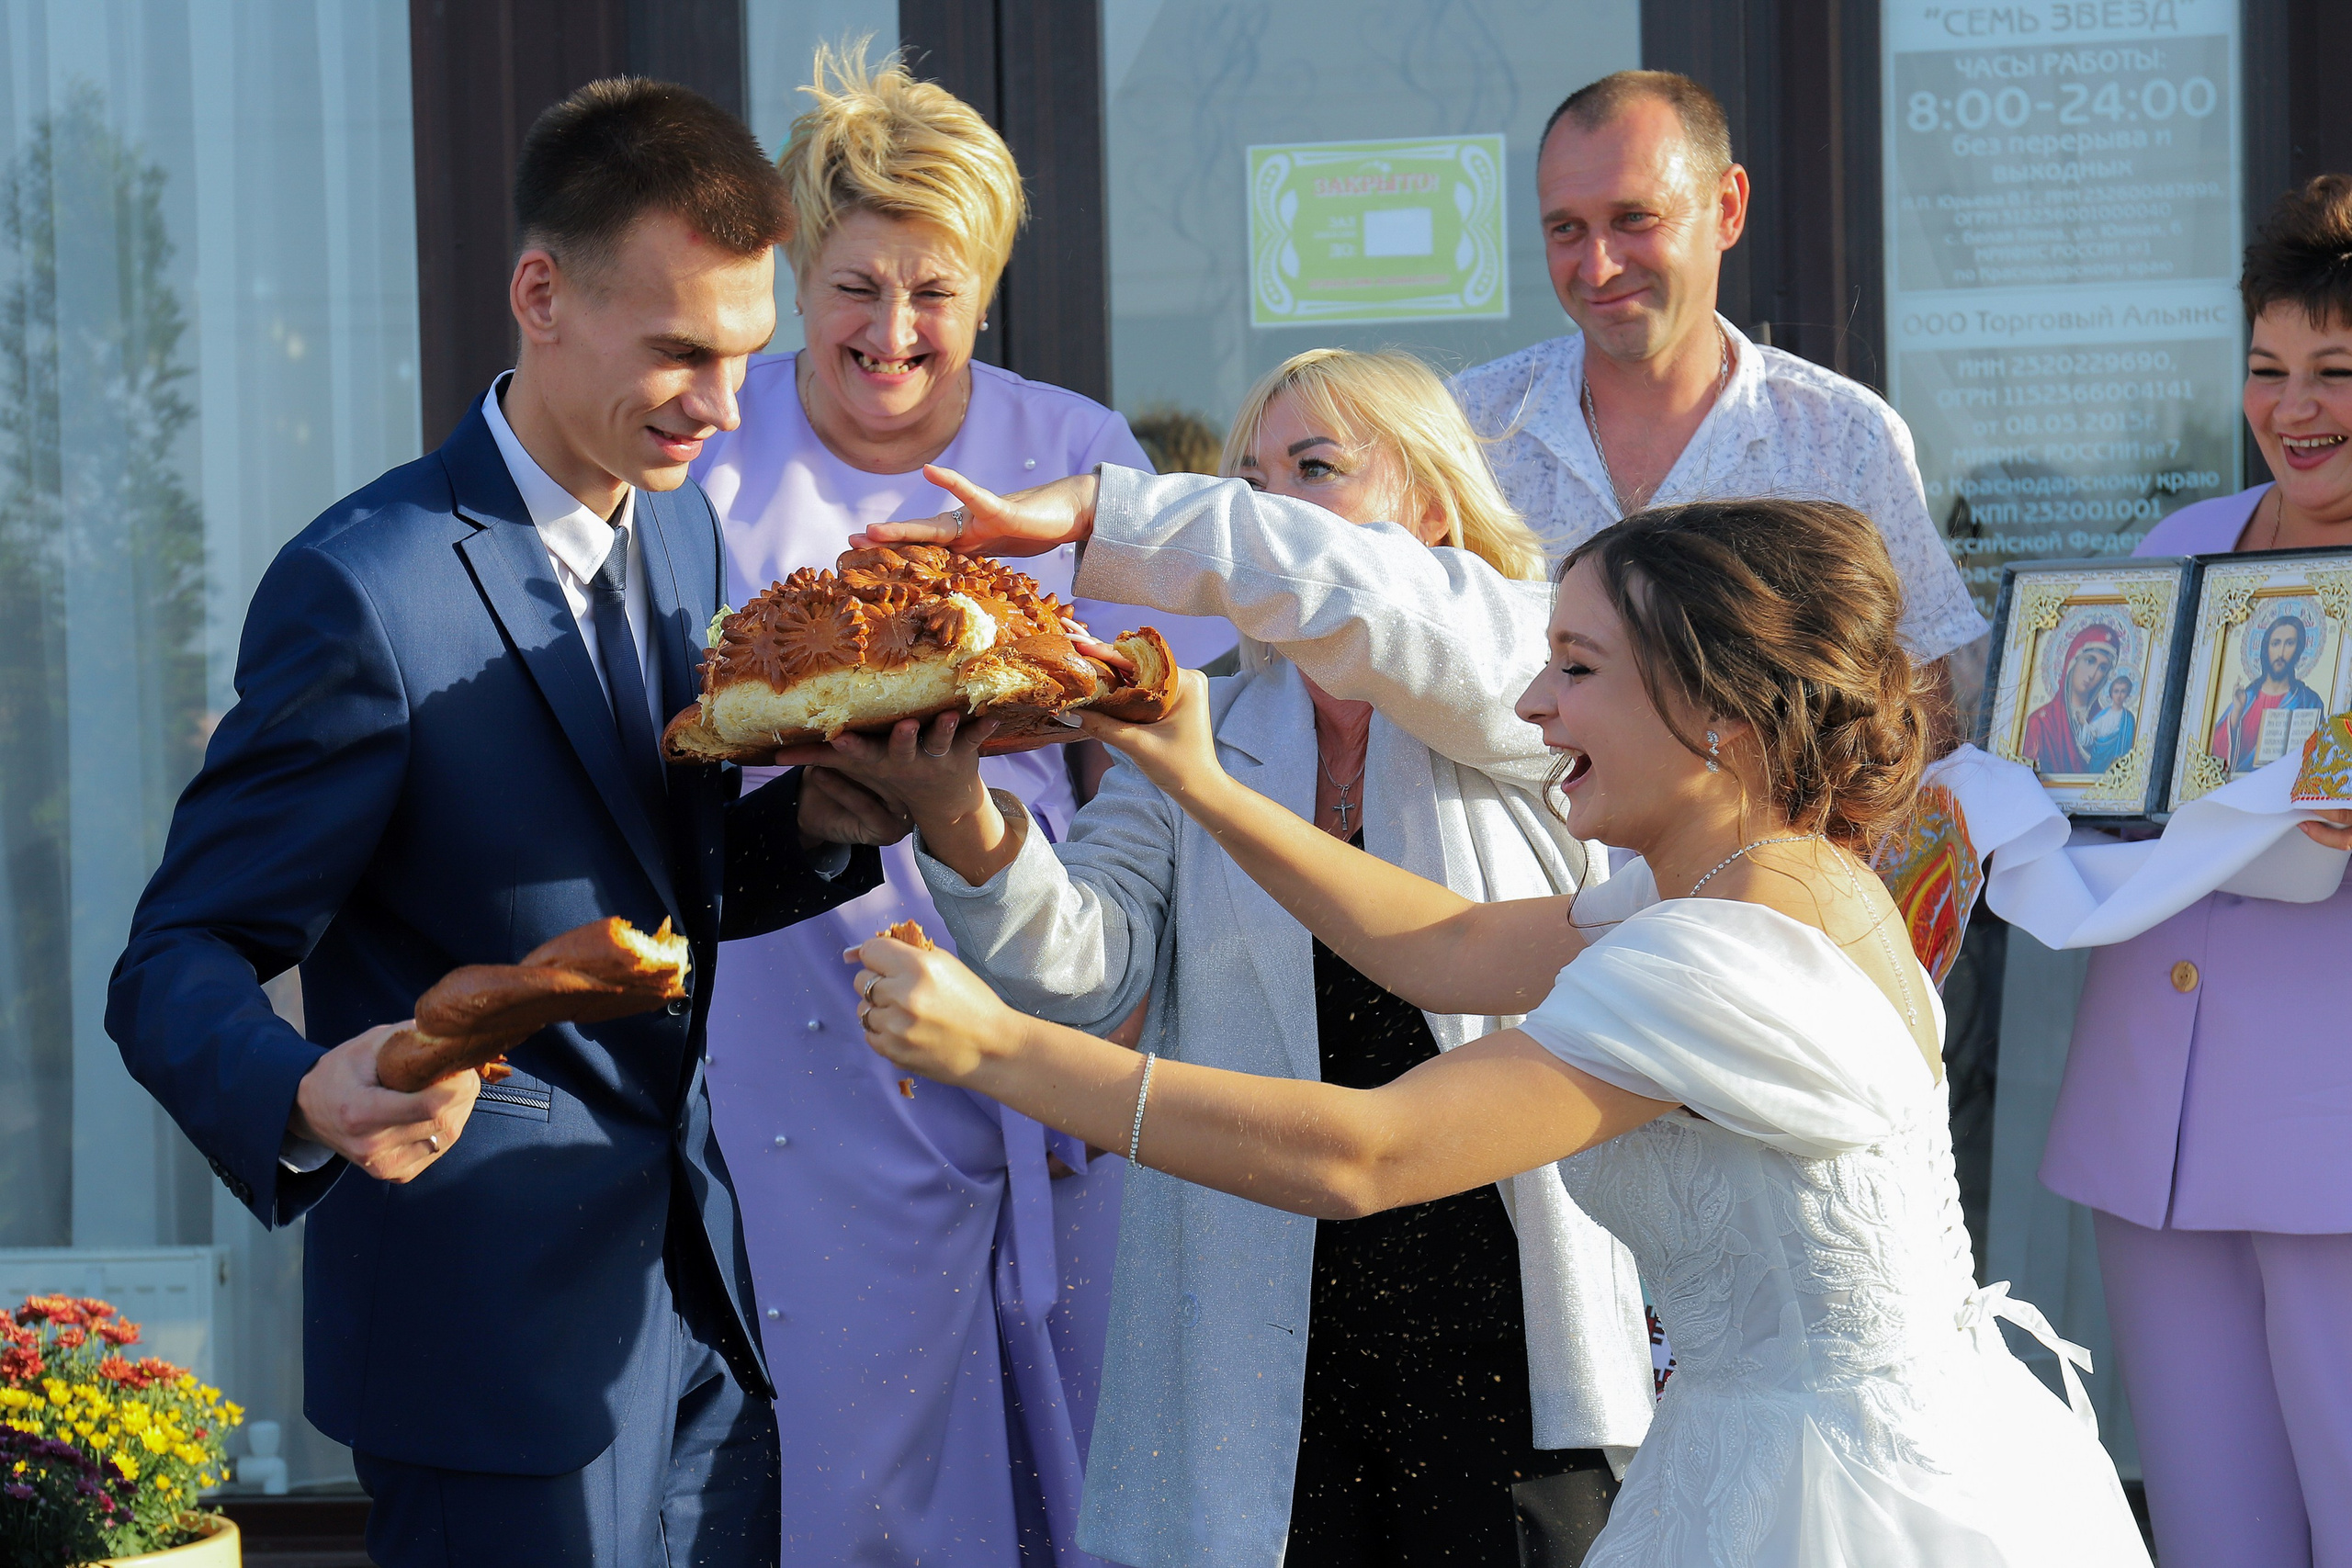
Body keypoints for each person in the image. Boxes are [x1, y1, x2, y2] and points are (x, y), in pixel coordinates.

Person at [849, 491, 2154, 1568]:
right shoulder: (1757, 874)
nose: (1532, 707)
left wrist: (1000, 1051)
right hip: (1791, 1441)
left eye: (1577, 669)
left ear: (1716, 707)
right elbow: (1452, 943)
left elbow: (1358, 1155)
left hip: (1836, 1503)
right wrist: (1201, 783)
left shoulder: (1726, 952)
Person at [105, 81, 902, 1566]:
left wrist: (827, 825)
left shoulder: (682, 526)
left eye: (742, 357)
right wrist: (300, 1092)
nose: (723, 409)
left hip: (707, 1322)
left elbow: (651, 885)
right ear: (541, 292)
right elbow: (176, 956)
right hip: (480, 1346)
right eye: (678, 352)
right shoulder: (360, 588)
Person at [827, 348, 1654, 1567]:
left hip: (1509, 1323)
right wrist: (959, 809)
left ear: (1429, 504)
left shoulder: (1529, 668)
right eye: (1249, 478)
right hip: (1269, 1325)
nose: (1269, 508)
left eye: (1314, 469)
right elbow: (1085, 971)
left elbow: (1380, 602)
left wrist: (1110, 511)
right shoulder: (1205, 707)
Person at [686, 44, 1229, 1566]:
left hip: (1053, 970)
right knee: (867, 1433)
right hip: (797, 995)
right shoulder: (712, 471)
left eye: (935, 291)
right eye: (860, 286)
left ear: (984, 288)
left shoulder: (1073, 456)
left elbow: (1166, 732)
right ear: (802, 269)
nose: (893, 331)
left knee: (1093, 1407)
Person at [2040, 174, 2352, 1568]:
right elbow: (2102, 772)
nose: (2298, 409)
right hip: (2151, 1125)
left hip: (2332, 1138)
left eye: (2337, 372)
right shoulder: (2179, 547)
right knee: (2211, 1526)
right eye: (2270, 370)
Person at [1449, 71, 1984, 691]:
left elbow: (1929, 699)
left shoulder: (1841, 438)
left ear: (1727, 209)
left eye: (1634, 218)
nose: (1598, 266)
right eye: (1567, 229)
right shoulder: (1471, 430)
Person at [2211, 612, 2325, 772]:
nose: (2281, 653)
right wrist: (2237, 712)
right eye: (2275, 643)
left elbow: (2319, 757)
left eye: (2290, 643)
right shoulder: (2247, 698)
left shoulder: (2309, 701)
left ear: (2298, 650)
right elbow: (2216, 756)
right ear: (2266, 648)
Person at [2019, 621, 2122, 775]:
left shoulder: (2104, 724)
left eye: (2102, 668)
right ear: (2073, 660)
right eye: (2090, 661)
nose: (2093, 674)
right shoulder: (2041, 723)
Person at [2084, 673, 2137, 776]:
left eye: (2123, 691)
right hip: (2098, 758)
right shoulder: (2103, 715)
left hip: (2116, 763)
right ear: (2111, 693)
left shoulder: (2128, 718)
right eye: (2116, 691)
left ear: (2127, 694)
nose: (2119, 695)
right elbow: (2090, 733)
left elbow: (2128, 743)